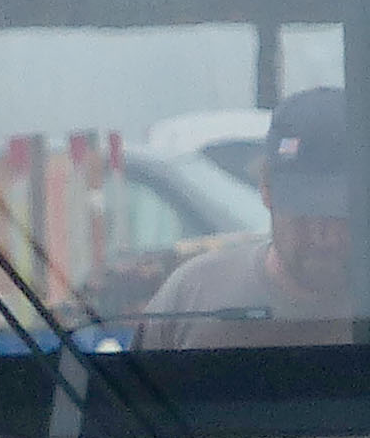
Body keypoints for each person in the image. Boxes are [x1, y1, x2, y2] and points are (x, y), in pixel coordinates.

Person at [135, 85, 356, 343]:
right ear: (266, 190)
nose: (324, 237)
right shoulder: (192, 300)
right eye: (303, 213)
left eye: (340, 213)